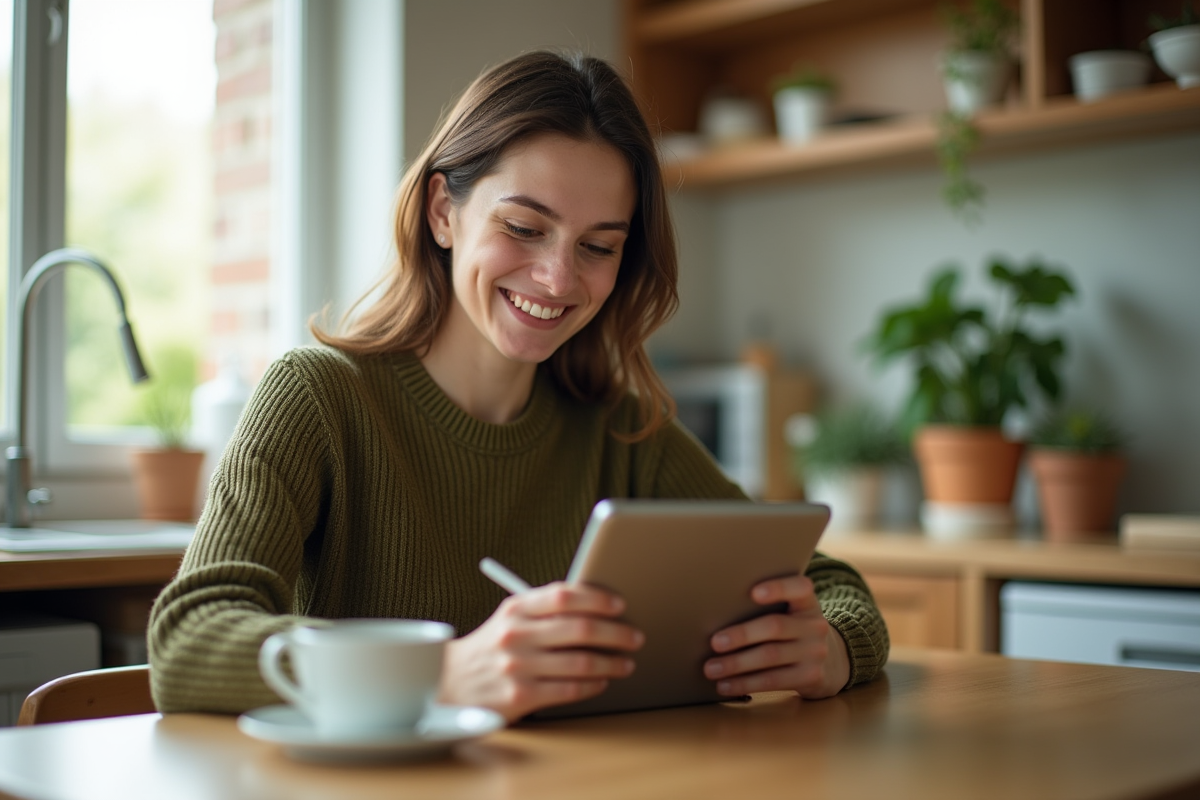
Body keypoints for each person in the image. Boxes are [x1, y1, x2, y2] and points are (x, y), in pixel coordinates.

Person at [148, 50, 889, 722]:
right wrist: (444, 670)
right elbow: (189, 639)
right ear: (444, 212)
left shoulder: (621, 431)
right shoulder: (317, 399)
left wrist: (834, 649)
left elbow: (828, 579)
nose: (559, 278)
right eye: (526, 228)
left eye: (598, 246)